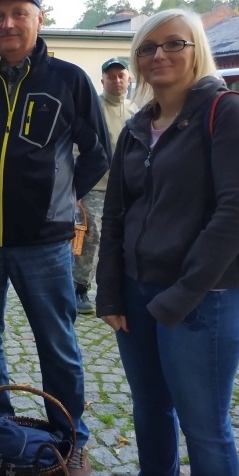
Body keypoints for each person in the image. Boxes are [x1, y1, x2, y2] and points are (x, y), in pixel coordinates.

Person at [0, 0, 110, 476]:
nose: (8, 23)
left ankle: (70, 437)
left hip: (45, 245)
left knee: (57, 343)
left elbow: (98, 152)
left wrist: (63, 196)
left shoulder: (69, 80)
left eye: (19, 13)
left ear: (39, 19)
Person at [96, 9, 239, 476]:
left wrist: (182, 295)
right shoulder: (136, 127)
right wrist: (111, 292)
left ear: (197, 51)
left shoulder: (227, 111)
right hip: (137, 292)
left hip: (205, 299)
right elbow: (115, 214)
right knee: (149, 409)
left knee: (204, 426)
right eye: (147, 48)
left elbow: (237, 213)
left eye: (174, 44)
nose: (159, 55)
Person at [73, 58, 138, 314]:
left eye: (121, 76)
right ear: (102, 81)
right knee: (92, 237)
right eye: (111, 76)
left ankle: (115, 288)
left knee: (125, 238)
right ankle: (79, 288)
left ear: (129, 79)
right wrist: (77, 189)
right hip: (96, 187)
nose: (117, 81)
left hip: (127, 189)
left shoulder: (137, 112)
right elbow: (77, 148)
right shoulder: (93, 109)